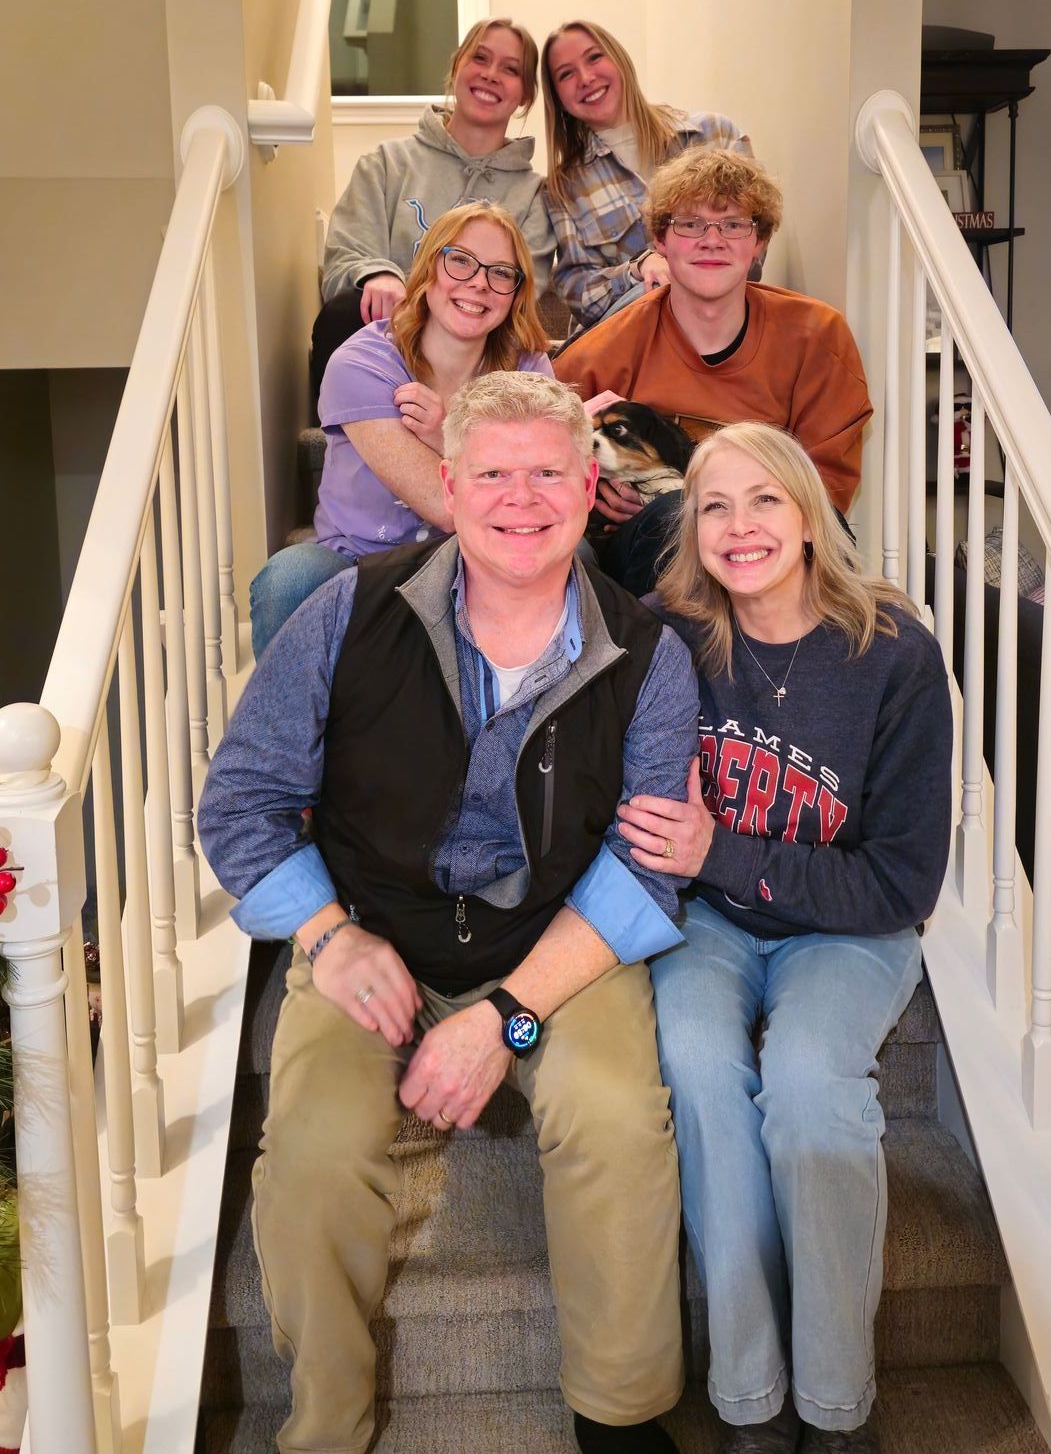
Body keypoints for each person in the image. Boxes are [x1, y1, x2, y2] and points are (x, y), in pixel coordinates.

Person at [199, 371, 703, 1454]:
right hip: (370, 935)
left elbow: (646, 868)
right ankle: (327, 1427)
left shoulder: (651, 653)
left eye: (546, 474)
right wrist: (328, 939)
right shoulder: (346, 610)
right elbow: (238, 802)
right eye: (493, 474)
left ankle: (620, 1417)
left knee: (616, 1119)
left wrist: (508, 1019)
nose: (521, 499)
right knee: (319, 1149)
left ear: (587, 485)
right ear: (448, 484)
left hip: (560, 944)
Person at [615, 422, 953, 1453]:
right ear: (692, 531)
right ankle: (751, 1401)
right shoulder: (665, 636)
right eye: (714, 506)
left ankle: (837, 1405)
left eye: (765, 499)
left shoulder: (892, 651)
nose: (741, 524)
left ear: (809, 514)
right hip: (709, 926)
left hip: (848, 929)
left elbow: (900, 878)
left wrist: (720, 849)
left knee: (810, 1096)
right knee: (703, 1078)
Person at [553, 147, 873, 594]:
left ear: (759, 241)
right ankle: (668, 663)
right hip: (649, 546)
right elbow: (543, 457)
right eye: (690, 224)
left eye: (734, 224)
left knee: (829, 534)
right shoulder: (603, 352)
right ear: (659, 241)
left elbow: (825, 485)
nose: (712, 240)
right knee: (671, 522)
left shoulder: (817, 337)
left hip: (775, 534)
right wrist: (595, 497)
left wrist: (725, 511)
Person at [251, 202, 552, 656]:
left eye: (501, 273)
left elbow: (535, 499)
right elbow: (447, 506)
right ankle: (291, 727)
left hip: (476, 564)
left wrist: (448, 433)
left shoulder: (528, 370)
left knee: (575, 561)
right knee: (290, 578)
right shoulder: (362, 361)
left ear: (516, 293)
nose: (478, 283)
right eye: (461, 261)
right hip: (355, 562)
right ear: (430, 267)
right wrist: (485, 455)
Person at [313, 17, 555, 390]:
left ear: (525, 94)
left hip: (473, 347)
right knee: (343, 311)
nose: (491, 74)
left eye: (510, 69)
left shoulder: (534, 195)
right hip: (388, 340)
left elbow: (521, 293)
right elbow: (345, 256)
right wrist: (380, 275)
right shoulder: (386, 163)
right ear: (457, 66)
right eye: (480, 58)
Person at [541, 20, 752, 330]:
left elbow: (753, 248)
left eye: (594, 57)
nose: (585, 78)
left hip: (723, 333)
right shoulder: (563, 188)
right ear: (557, 96)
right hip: (626, 345)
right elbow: (578, 293)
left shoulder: (715, 134)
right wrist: (637, 269)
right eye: (566, 74)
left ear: (620, 59)